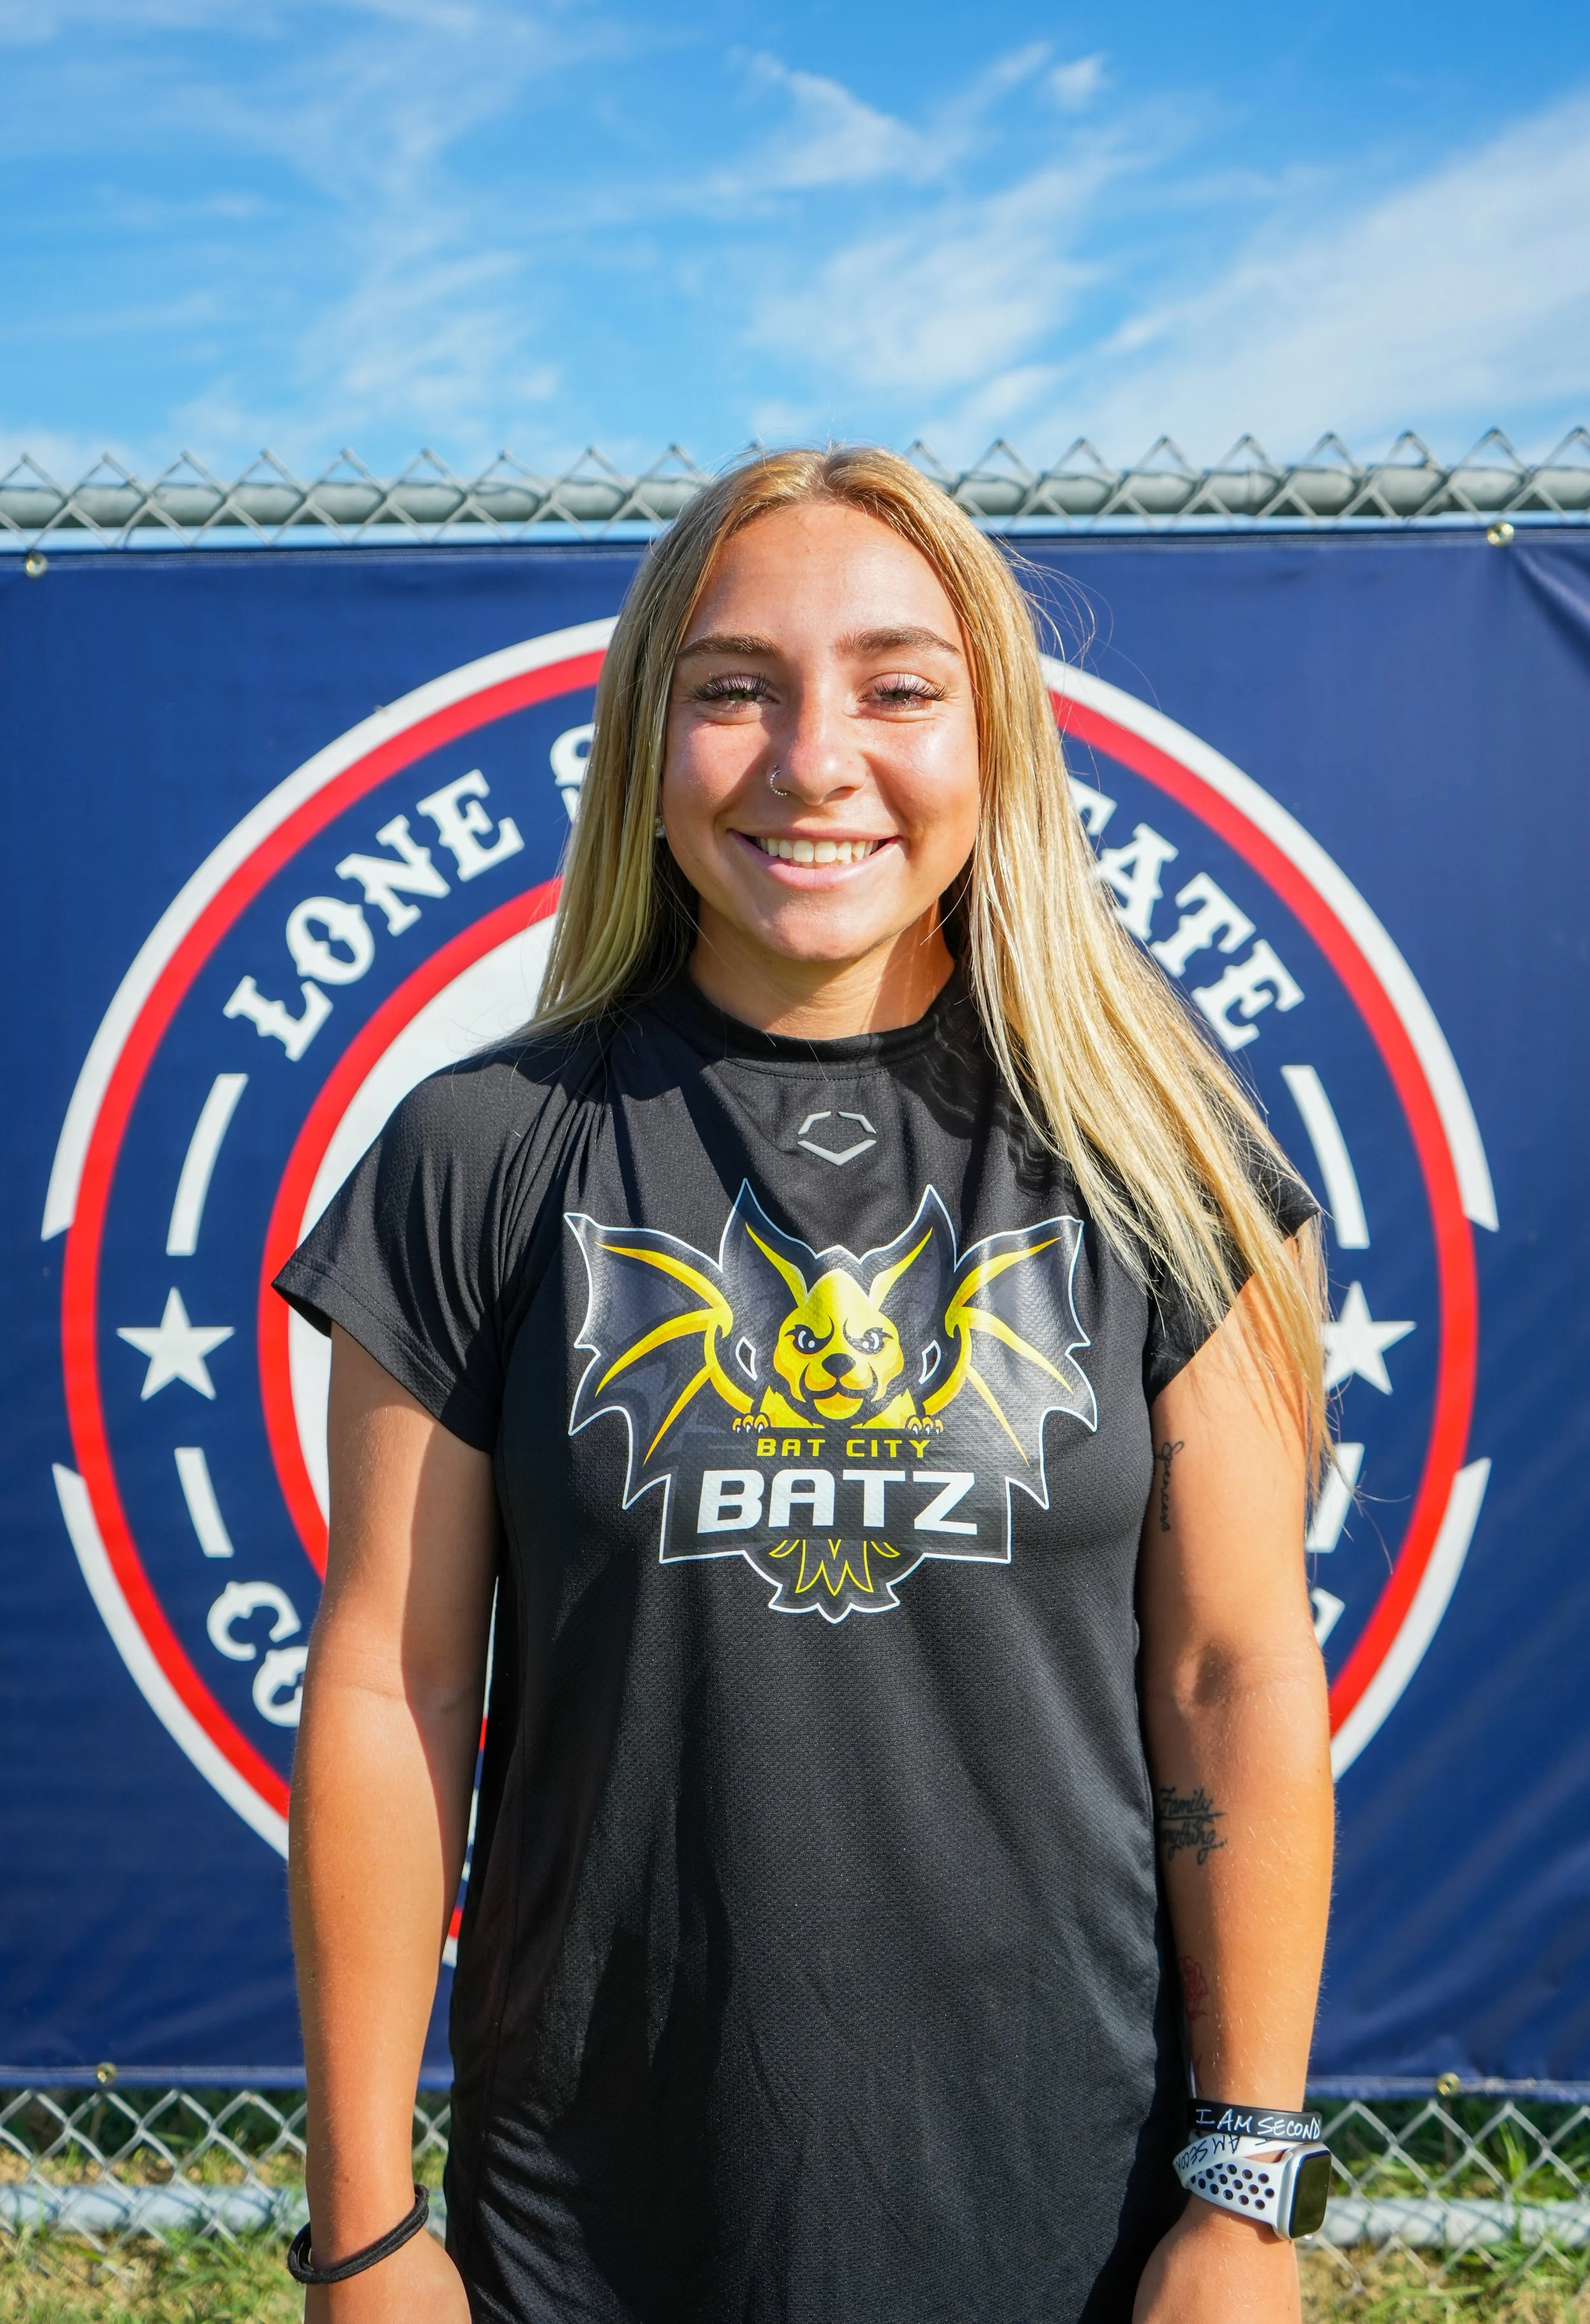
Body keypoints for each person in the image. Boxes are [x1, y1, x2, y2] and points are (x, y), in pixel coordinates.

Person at [277, 446, 1334, 2324]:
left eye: (897, 686)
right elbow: (392, 1680)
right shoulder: (480, 1154)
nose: (812, 757)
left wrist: (1242, 2199)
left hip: (1071, 2224)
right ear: (643, 736)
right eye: (734, 685)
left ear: (993, 736)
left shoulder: (1158, 1162)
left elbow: (1230, 1676)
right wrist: (364, 2230)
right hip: (587, 2229)